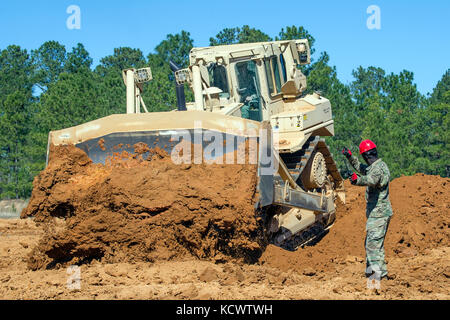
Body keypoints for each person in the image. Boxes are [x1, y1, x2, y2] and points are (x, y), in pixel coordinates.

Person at [342, 140, 394, 282]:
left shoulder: (379, 169)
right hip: (378, 214)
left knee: (372, 247)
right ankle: (379, 277)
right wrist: (350, 157)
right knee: (375, 246)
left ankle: (375, 280)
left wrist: (356, 180)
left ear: (366, 156)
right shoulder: (374, 166)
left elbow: (371, 180)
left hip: (379, 214)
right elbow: (360, 168)